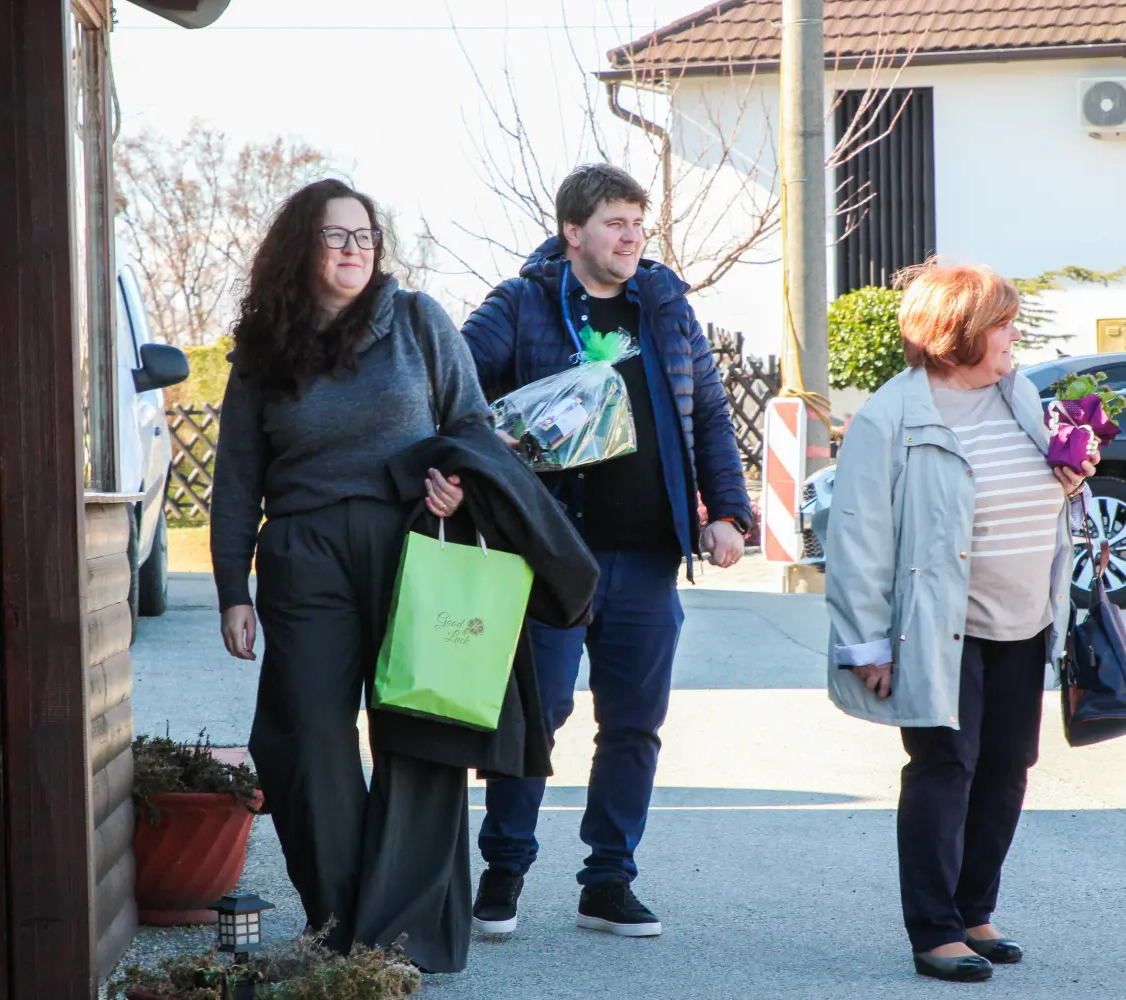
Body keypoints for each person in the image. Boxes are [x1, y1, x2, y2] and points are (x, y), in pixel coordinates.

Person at [460, 163, 753, 938]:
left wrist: (728, 510)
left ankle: (608, 881)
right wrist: (481, 450)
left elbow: (711, 417)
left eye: (638, 223)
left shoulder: (665, 310)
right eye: (616, 222)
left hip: (650, 554)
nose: (632, 237)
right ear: (573, 232)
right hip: (551, 556)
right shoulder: (522, 304)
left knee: (634, 724)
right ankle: (503, 873)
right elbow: (454, 381)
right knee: (537, 713)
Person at [209, 178, 489, 973]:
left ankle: (403, 932)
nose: (353, 249)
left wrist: (457, 479)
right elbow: (236, 475)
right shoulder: (264, 346)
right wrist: (234, 588)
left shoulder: (418, 321)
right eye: (336, 236)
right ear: (301, 247)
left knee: (419, 733)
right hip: (304, 552)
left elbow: (471, 425)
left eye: (365, 235)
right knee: (306, 737)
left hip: (411, 540)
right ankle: (338, 923)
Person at [825, 262, 1095, 982]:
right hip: (939, 624)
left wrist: (1071, 475)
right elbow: (857, 537)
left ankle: (975, 911)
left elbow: (1045, 487)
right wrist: (866, 645)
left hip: (1025, 616)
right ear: (958, 333)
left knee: (1008, 770)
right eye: (1002, 322)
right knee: (946, 767)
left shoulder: (1020, 394)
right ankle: (935, 929)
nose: (1014, 334)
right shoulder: (893, 415)